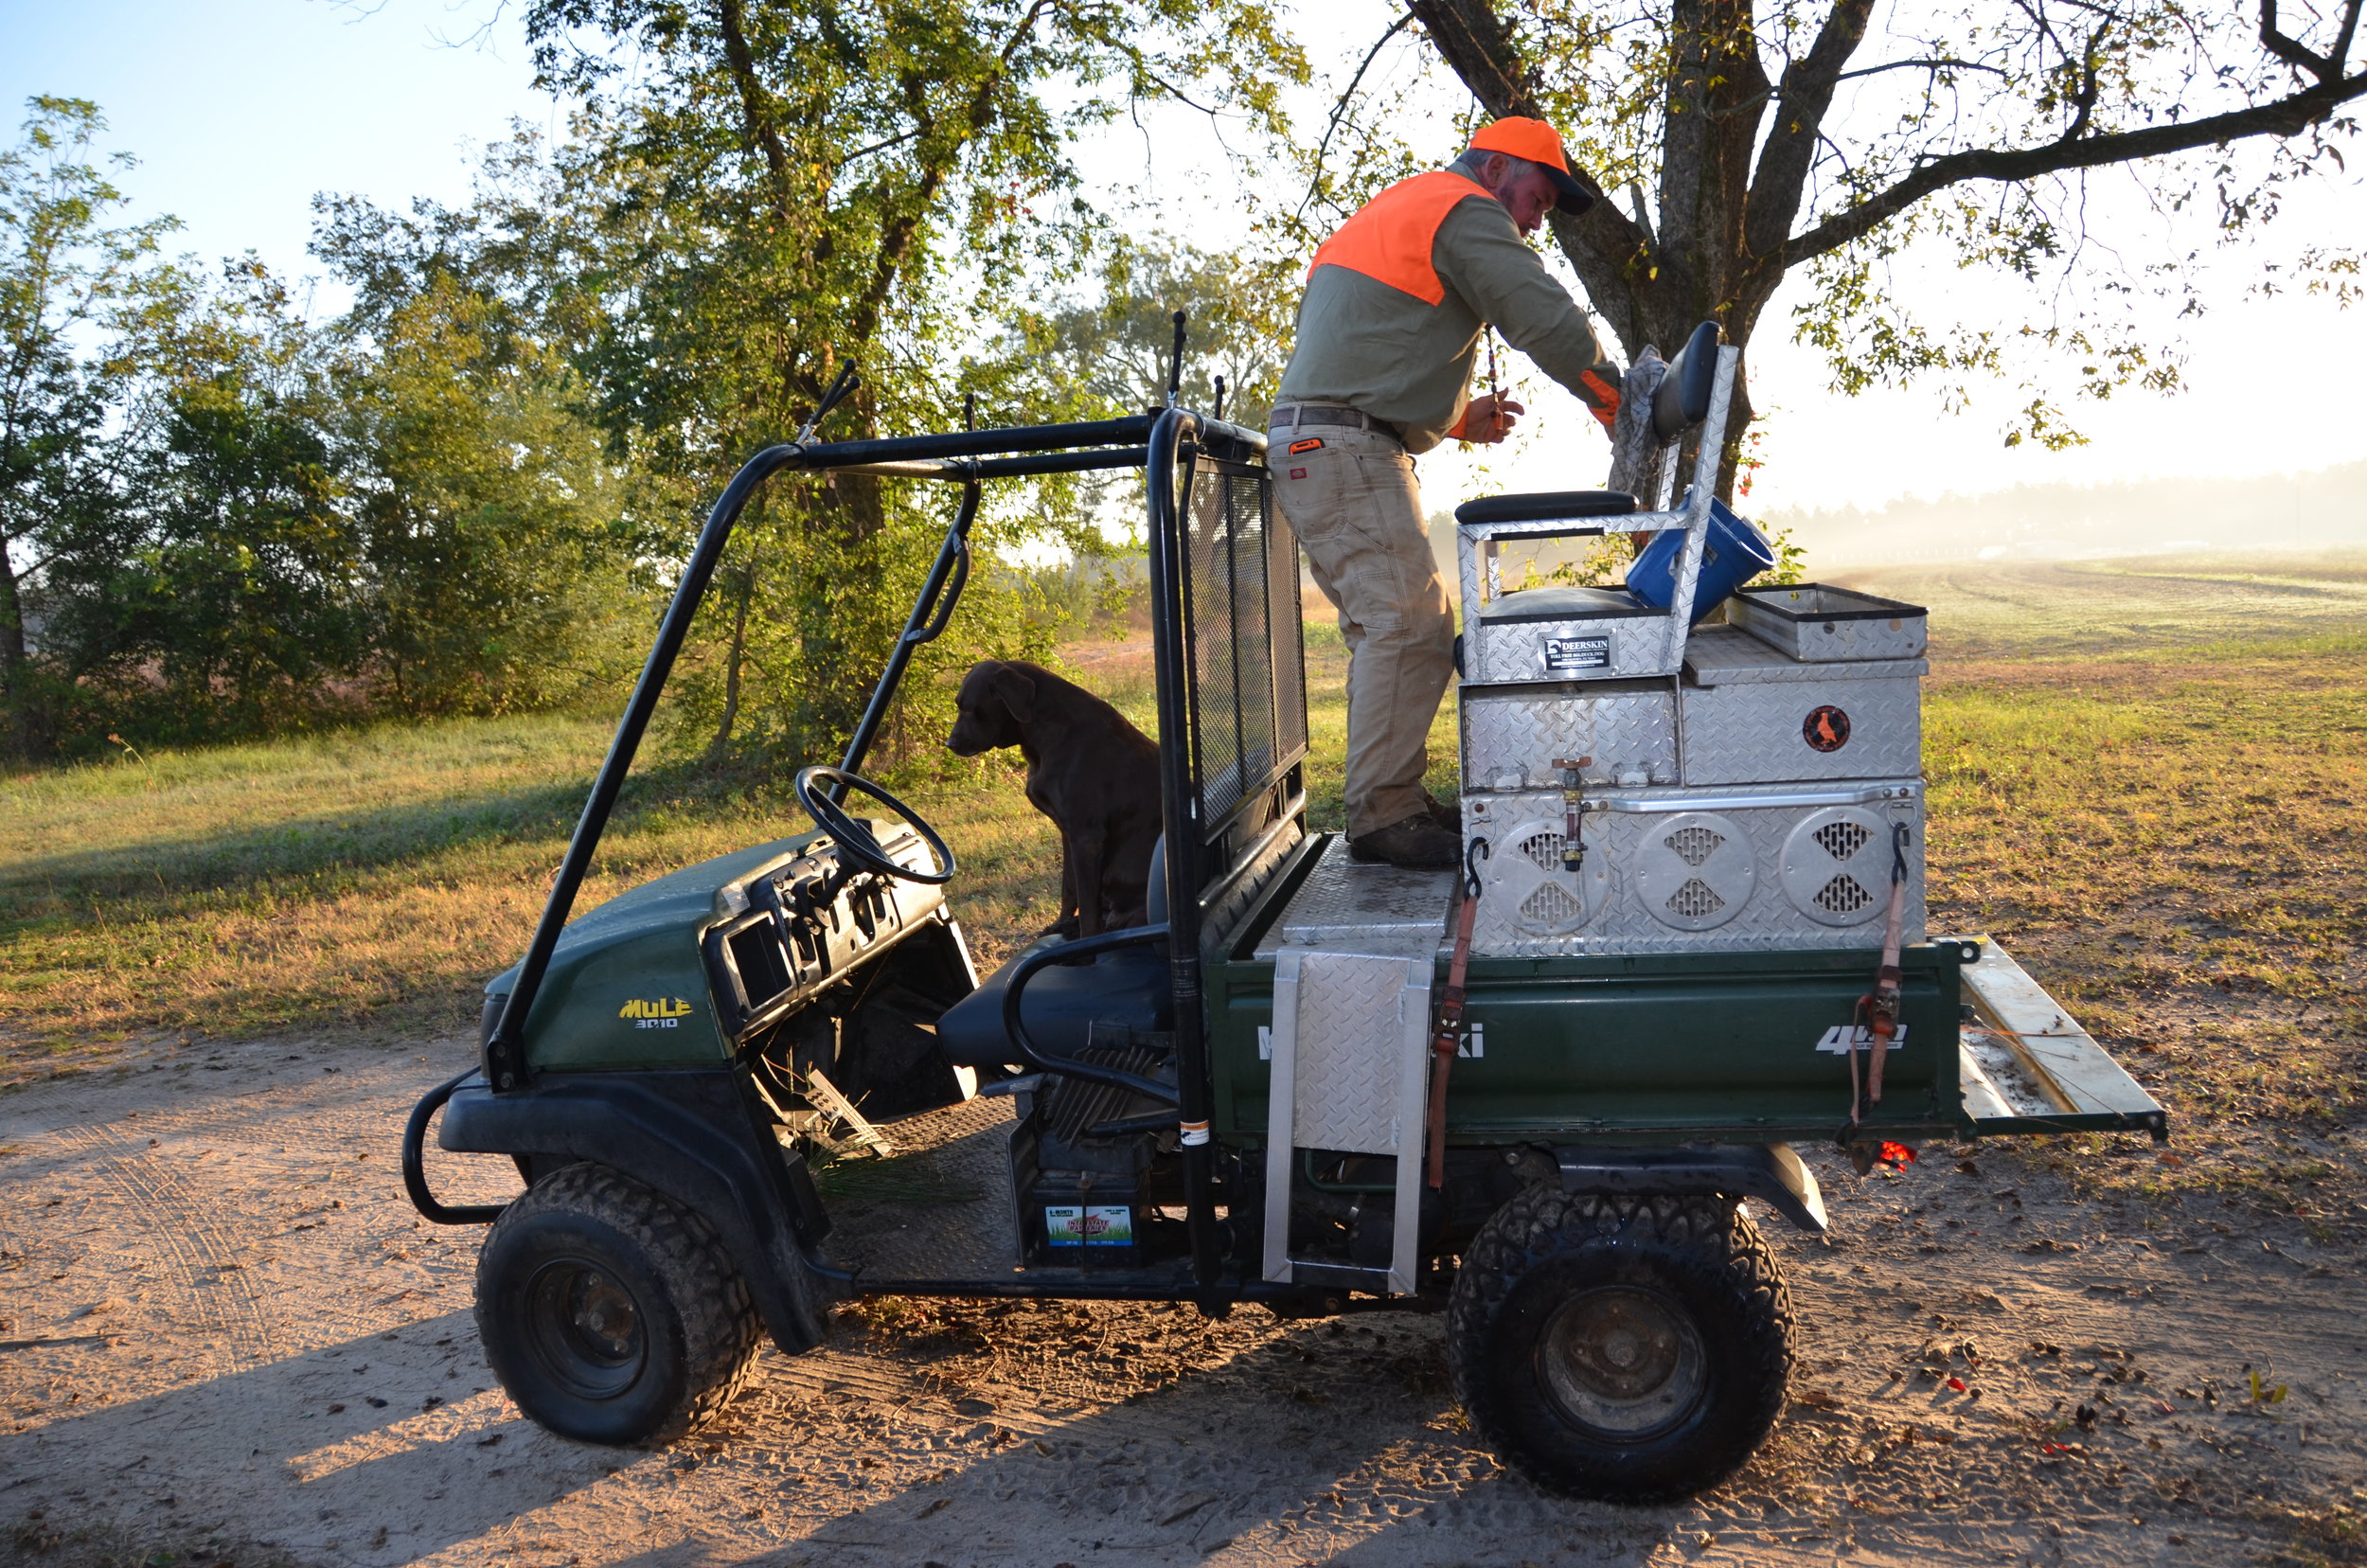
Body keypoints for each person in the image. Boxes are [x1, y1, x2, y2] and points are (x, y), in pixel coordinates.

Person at [1269, 116, 1624, 870]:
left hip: (1325, 441)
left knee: (1396, 628)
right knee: (1408, 627)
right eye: (1537, 198)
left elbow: (1370, 347)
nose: (1535, 221)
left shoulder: (1403, 208)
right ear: (1497, 169)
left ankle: (1391, 795)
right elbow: (1539, 312)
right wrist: (1615, 401)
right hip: (1344, 447)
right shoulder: (1464, 207)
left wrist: (1459, 419)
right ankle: (1382, 818)